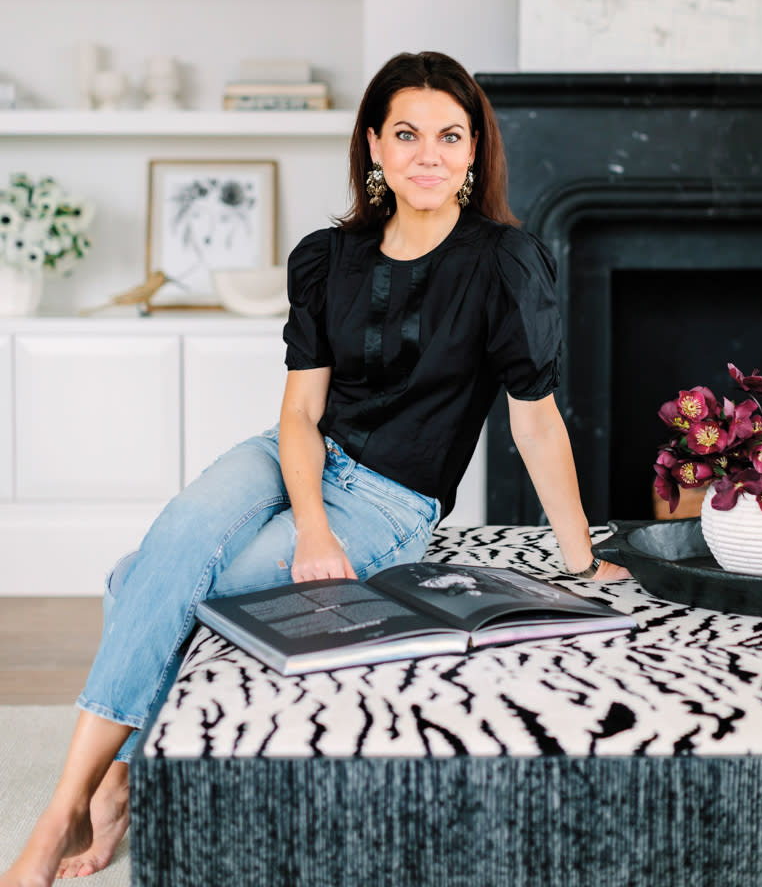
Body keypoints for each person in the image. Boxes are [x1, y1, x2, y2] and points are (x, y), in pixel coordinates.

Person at [1, 51, 628, 887]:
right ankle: (78, 800)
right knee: (180, 537)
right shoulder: (328, 256)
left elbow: (537, 422)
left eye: (450, 135)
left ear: (475, 151)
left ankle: (94, 795)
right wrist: (313, 524)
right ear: (374, 145)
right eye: (406, 134)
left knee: (151, 582)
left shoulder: (505, 263)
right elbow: (299, 415)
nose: (428, 155)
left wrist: (580, 556)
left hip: (393, 497)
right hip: (290, 456)